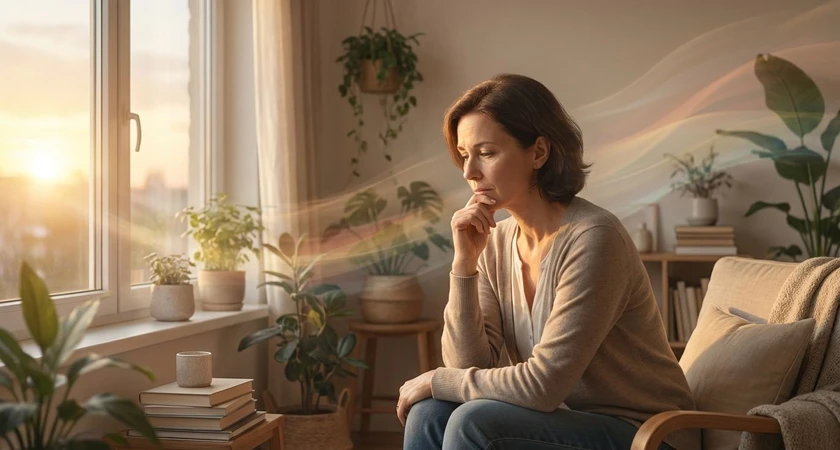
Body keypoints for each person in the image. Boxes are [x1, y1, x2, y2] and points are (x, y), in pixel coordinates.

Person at [396, 74, 700, 450]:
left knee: (473, 422)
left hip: (647, 434)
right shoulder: (494, 242)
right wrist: (464, 265)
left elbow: (543, 386)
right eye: (464, 155)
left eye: (486, 153)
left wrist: (436, 379)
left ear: (538, 152)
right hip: (559, 420)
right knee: (430, 413)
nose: (469, 172)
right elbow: (467, 367)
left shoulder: (594, 238)